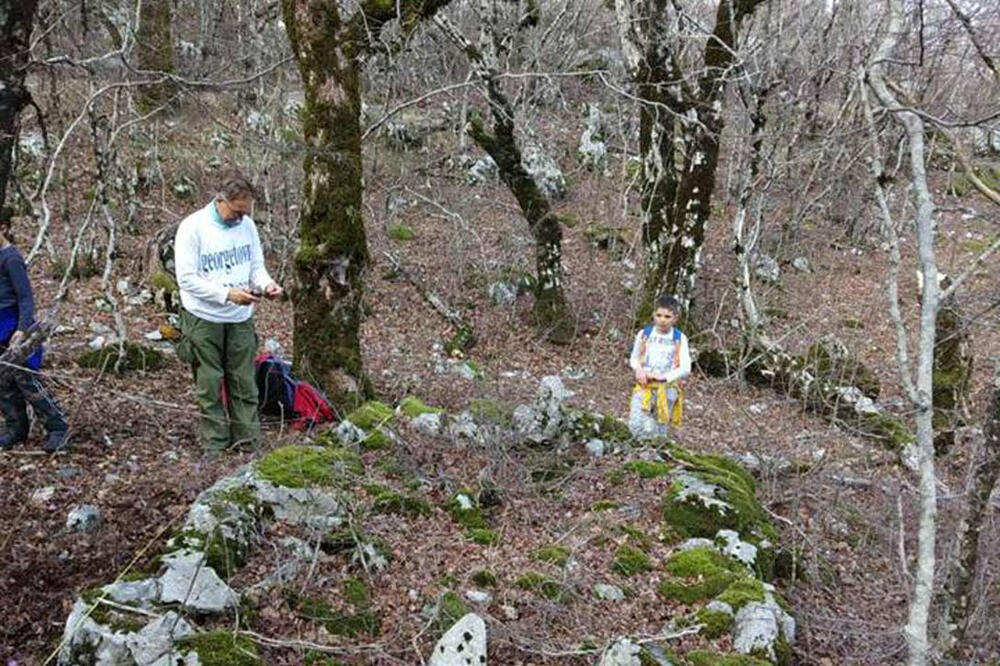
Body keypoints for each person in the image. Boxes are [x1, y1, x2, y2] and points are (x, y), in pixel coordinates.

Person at [174, 171, 282, 450]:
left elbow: (255, 265)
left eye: (246, 212)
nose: (240, 218)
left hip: (240, 318)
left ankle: (247, 442)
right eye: (236, 211)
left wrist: (267, 284)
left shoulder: (247, 227)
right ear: (221, 201)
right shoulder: (192, 227)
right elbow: (186, 279)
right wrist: (226, 295)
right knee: (209, 384)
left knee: (243, 381)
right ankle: (215, 444)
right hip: (203, 318)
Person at [0, 214, 69, 453]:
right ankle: (16, 428)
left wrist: (21, 330)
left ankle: (57, 427)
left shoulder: (11, 258)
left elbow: (26, 298)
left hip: (14, 327)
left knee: (25, 378)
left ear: (3, 228)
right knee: (3, 382)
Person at [627, 294, 691, 439]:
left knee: (660, 426)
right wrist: (639, 370)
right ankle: (636, 451)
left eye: (667, 317)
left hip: (667, 389)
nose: (662, 320)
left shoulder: (680, 338)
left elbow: (685, 367)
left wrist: (665, 377)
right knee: (636, 423)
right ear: (653, 315)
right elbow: (634, 357)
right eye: (659, 315)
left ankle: (654, 454)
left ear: (675, 318)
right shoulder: (644, 334)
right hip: (644, 385)